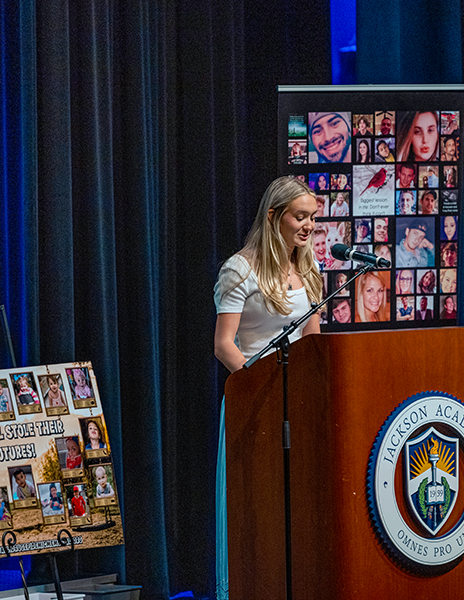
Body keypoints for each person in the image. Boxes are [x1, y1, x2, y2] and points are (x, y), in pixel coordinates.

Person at [213, 177, 323, 599]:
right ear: (274, 216)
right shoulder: (240, 269)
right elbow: (224, 345)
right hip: (256, 400)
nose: (309, 225)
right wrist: (261, 386)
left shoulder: (310, 268)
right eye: (300, 216)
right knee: (257, 503)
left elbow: (313, 341)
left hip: (299, 401)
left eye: (312, 217)